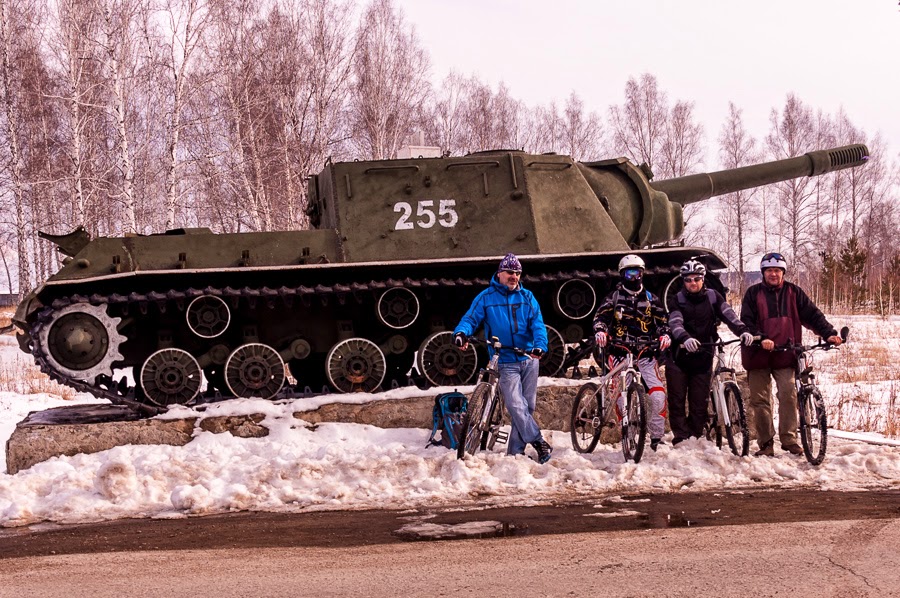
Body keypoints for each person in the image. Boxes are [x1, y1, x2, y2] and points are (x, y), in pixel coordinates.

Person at [453, 253, 553, 464]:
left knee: (528, 407)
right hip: (506, 360)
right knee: (516, 405)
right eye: (510, 272)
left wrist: (539, 346)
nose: (514, 277)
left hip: (528, 359)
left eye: (517, 273)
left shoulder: (527, 298)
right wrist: (461, 333)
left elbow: (538, 325)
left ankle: (515, 454)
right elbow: (470, 319)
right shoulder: (486, 298)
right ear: (499, 273)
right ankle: (538, 441)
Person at [740, 252, 843, 457]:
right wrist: (761, 338)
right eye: (769, 270)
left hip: (786, 354)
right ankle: (766, 443)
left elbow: (813, 315)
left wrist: (829, 334)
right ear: (763, 272)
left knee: (788, 394)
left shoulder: (794, 293)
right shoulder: (753, 294)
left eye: (777, 270)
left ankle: (788, 439)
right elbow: (747, 322)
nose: (773, 274)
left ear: (783, 272)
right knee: (760, 401)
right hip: (758, 355)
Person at [666, 259, 754, 445]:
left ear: (703, 279)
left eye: (697, 279)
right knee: (677, 400)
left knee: (699, 402)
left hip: (704, 355)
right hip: (679, 356)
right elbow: (675, 322)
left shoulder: (713, 297)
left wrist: (743, 330)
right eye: (688, 280)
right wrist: (684, 338)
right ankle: (681, 438)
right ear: (683, 281)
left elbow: (729, 315)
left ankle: (696, 437)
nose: (693, 283)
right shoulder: (677, 299)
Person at [592, 254, 671, 451]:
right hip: (619, 353)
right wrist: (600, 330)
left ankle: (656, 437)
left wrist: (665, 335)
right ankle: (627, 430)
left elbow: (663, 322)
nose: (634, 276)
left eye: (637, 272)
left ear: (643, 273)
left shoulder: (652, 299)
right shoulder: (614, 298)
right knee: (621, 394)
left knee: (658, 394)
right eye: (629, 272)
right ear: (622, 274)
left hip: (645, 354)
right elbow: (600, 317)